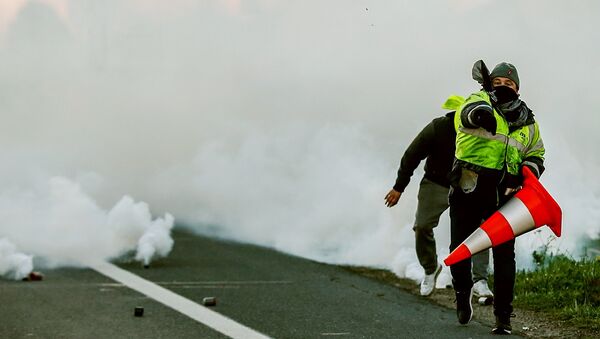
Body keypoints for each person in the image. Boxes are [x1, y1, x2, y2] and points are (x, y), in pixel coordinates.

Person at [446, 60, 545, 334]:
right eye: (498, 83)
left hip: (505, 194)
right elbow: (466, 113)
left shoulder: (529, 121)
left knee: (505, 256)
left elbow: (537, 154)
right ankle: (462, 293)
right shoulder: (479, 100)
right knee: (460, 248)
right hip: (469, 184)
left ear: (518, 89)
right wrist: (480, 115)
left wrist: (525, 174)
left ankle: (503, 317)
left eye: (510, 84)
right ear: (490, 84)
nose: (504, 87)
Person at [384, 111, 493, 298]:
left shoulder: (484, 129)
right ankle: (430, 269)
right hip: (436, 182)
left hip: (469, 185)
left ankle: (480, 279)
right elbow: (412, 154)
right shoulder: (439, 127)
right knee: (422, 226)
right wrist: (398, 187)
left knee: (480, 229)